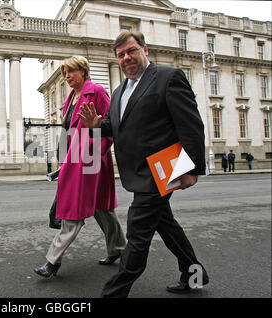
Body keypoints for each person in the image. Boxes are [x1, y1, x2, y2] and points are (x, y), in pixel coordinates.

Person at [78, 31, 209, 297]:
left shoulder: (168, 77)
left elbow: (191, 125)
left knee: (137, 235)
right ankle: (196, 275)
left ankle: (113, 292)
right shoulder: (119, 91)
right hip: (137, 172)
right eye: (121, 54)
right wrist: (97, 125)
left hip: (163, 167)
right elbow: (118, 126)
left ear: (144, 50)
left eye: (131, 51)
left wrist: (192, 168)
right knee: (166, 225)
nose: (127, 57)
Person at [34, 56, 126, 278]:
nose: (67, 76)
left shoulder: (97, 91)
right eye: (65, 73)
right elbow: (67, 132)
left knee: (73, 210)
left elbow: (110, 126)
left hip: (91, 160)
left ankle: (52, 261)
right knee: (101, 208)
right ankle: (119, 249)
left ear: (83, 71)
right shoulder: (69, 100)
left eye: (71, 72)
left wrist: (94, 151)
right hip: (74, 159)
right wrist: (64, 160)